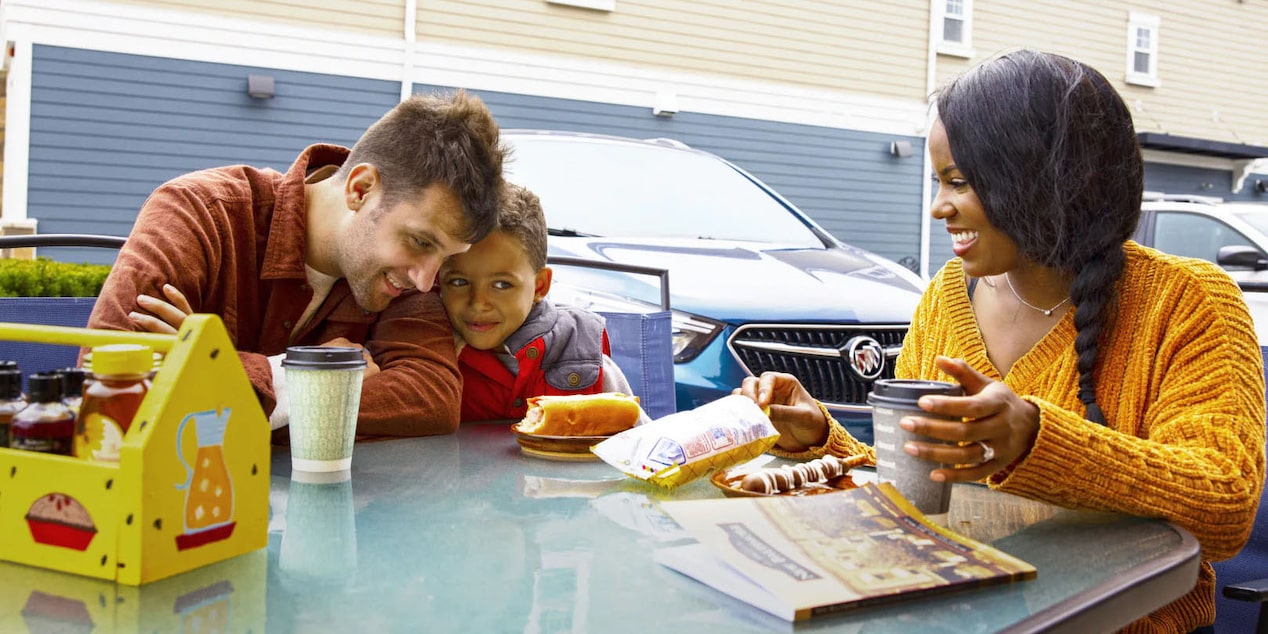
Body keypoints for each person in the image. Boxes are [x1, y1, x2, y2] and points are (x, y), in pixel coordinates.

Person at [737, 49, 1265, 633]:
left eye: (958, 182)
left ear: (1043, 180)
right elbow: (923, 493)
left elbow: (1225, 504)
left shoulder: (1186, 301)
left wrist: (1035, 438)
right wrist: (821, 442)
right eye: (938, 182)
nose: (939, 207)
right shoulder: (946, 298)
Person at [88, 90, 506, 438]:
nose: (425, 279)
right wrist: (306, 376)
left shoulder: (406, 275)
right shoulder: (199, 212)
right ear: (361, 190)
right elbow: (111, 385)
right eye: (420, 242)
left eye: (446, 257)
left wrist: (208, 374)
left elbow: (431, 399)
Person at [438, 182, 634, 422]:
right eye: (458, 282)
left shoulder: (583, 354)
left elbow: (639, 444)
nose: (478, 303)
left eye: (502, 285)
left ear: (540, 286)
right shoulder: (428, 351)